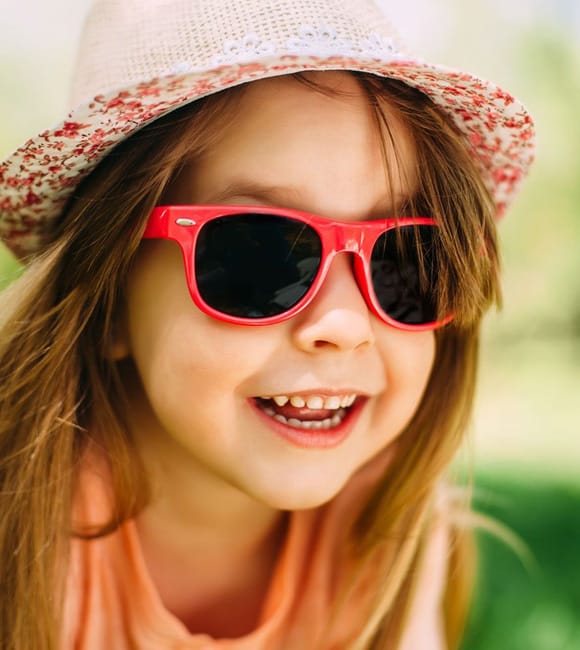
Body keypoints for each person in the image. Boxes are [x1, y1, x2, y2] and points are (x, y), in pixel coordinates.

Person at [0, 0, 535, 648]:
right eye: (260, 253)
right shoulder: (17, 536)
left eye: (406, 259)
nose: (343, 323)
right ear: (108, 296)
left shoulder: (394, 533)